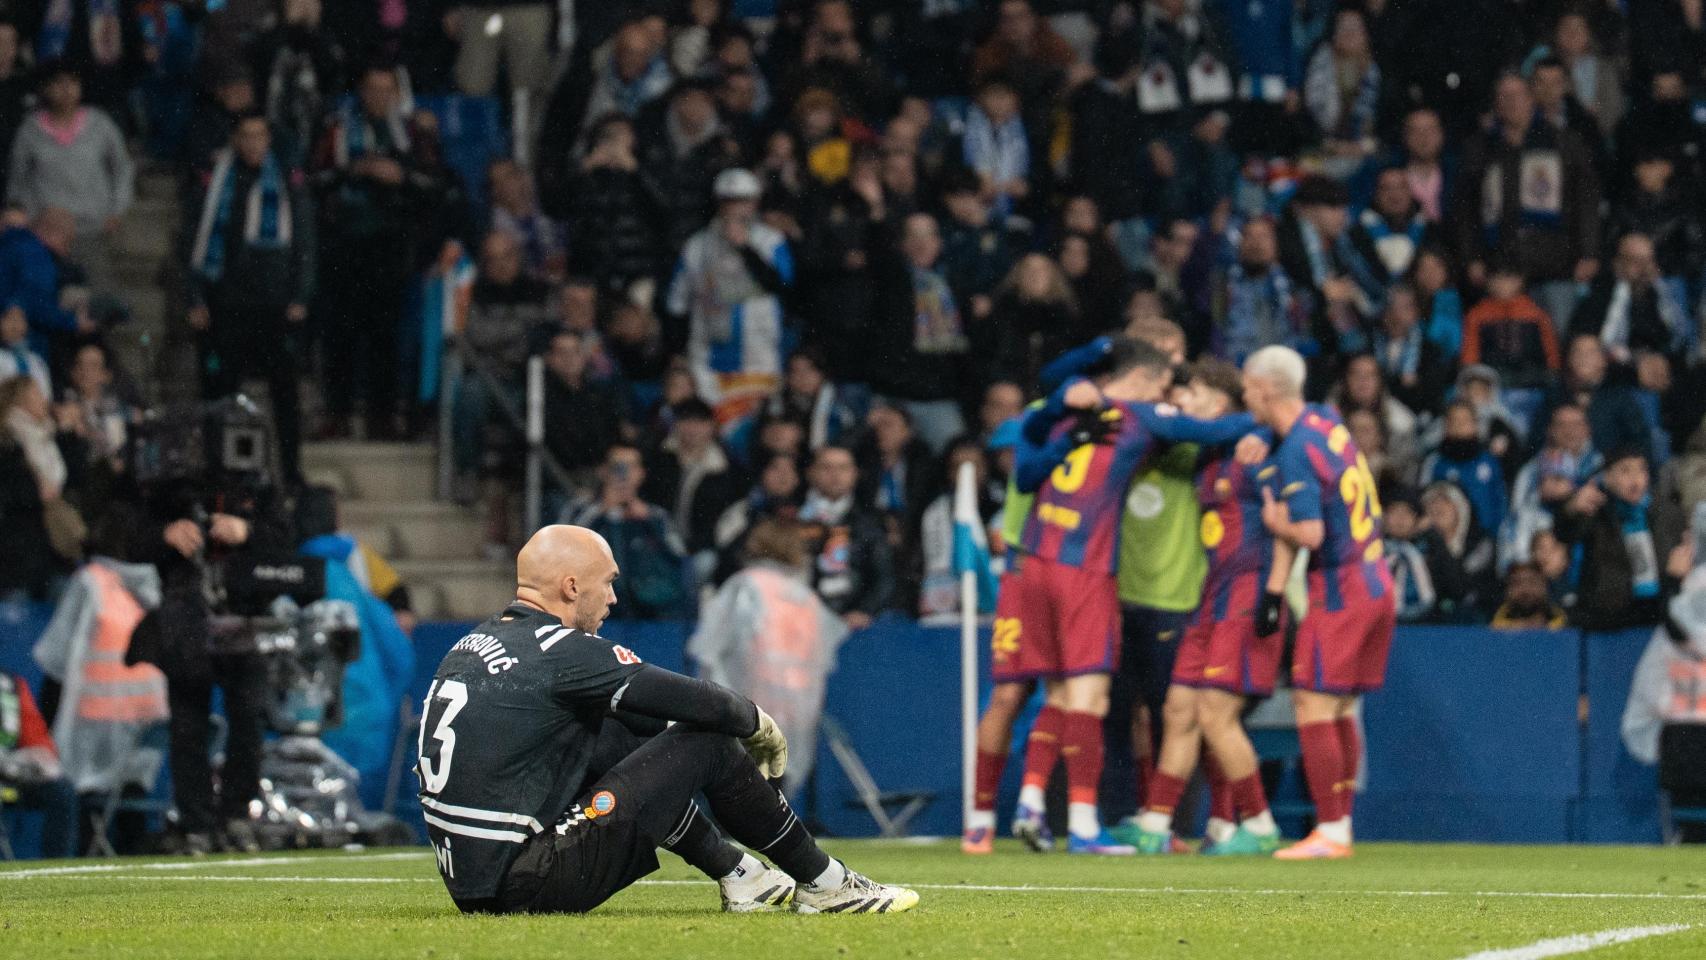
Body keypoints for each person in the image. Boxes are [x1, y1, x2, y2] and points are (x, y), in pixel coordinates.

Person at [416, 524, 918, 914]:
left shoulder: (472, 644)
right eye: (607, 583)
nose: (612, 598)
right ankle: (826, 883)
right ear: (571, 587)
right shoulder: (561, 651)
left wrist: (672, 756)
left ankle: (740, 872)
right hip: (529, 877)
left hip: (476, 879)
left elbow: (647, 732)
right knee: (711, 743)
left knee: (616, 733)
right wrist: (755, 722)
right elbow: (699, 703)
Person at [1005, 338, 1251, 855]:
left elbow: (1024, 467)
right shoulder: (1141, 415)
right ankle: (1085, 825)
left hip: (1032, 561)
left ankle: (1029, 803)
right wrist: (1274, 418)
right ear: (1144, 378)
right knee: (1089, 699)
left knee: (1056, 695)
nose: (1169, 395)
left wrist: (1058, 417)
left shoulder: (1065, 405)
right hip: (1085, 568)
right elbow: (1218, 428)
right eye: (1164, 385)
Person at [1123, 359, 1282, 857]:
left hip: (1246, 593)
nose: (1180, 400)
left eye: (1188, 392)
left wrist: (1274, 594)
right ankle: (1155, 821)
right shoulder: (1205, 455)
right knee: (1178, 709)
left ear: (1217, 401)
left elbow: (1284, 520)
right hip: (1208, 597)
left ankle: (1258, 826)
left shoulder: (1257, 449)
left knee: (1214, 713)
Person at [1244, 345, 1396, 860]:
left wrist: (1274, 522)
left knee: (1312, 701)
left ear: (1265, 389)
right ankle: (1341, 826)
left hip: (1341, 587)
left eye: (1248, 390)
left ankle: (1330, 830)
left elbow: (1307, 531)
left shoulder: (1294, 452)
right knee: (1341, 706)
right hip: (1377, 576)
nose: (1246, 400)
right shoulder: (1327, 423)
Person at [186, 111, 315, 483]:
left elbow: (304, 241)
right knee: (220, 391)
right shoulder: (215, 182)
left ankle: (290, 469)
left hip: (274, 303)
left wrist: (301, 294)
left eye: (260, 135)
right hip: (225, 300)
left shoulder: (287, 183)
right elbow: (193, 240)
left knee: (285, 395)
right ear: (235, 139)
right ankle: (219, 468)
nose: (253, 143)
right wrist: (195, 297)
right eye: (246, 135)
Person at [690, 519, 849, 796]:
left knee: (741, 776)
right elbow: (821, 656)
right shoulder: (806, 597)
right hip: (796, 701)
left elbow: (714, 645)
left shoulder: (747, 586)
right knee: (776, 775)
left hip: (751, 694)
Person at [666, 167, 791, 425]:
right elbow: (676, 303)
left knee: (755, 429)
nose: (736, 208)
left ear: (755, 202)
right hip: (708, 361)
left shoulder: (772, 241)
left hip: (760, 359)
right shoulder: (696, 246)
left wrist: (746, 248)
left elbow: (782, 285)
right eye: (729, 201)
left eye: (743, 200)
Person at [6, 61, 132, 291]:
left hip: (91, 229)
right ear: (45, 89)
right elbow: (18, 179)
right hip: (45, 233)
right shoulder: (31, 130)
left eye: (72, 82)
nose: (66, 89)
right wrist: (23, 212)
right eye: (58, 83)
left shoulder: (100, 124)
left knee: (97, 298)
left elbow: (122, 169)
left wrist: (117, 209)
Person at [1551, 446, 1690, 630]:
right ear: (1607, 478)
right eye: (1625, 470)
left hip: (1659, 613)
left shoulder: (1667, 512)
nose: (1635, 479)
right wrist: (1572, 508)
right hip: (1611, 617)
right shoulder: (1596, 511)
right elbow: (1564, 533)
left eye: (1641, 469)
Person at [564, 445, 691, 621]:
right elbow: (562, 548)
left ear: (641, 473)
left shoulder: (656, 515)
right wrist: (601, 511)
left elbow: (680, 554)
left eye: (631, 466)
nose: (624, 473)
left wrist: (649, 521)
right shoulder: (580, 509)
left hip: (649, 609)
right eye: (617, 466)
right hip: (591, 608)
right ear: (603, 471)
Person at [796, 444, 893, 628]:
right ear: (811, 473)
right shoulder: (792, 518)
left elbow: (884, 576)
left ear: (855, 474)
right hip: (801, 620)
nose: (835, 475)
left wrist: (864, 610)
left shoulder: (871, 521)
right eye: (826, 467)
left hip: (852, 623)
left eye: (843, 468)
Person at [0, 672, 78, 859]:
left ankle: (57, 866)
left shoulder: (9, 685)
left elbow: (36, 736)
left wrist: (39, 759)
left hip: (9, 782)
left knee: (61, 791)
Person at [1491, 561, 1568, 629]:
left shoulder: (1565, 626)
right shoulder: (1494, 630)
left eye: (1532, 582)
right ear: (1507, 589)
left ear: (1544, 587)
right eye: (1517, 583)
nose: (1525, 590)